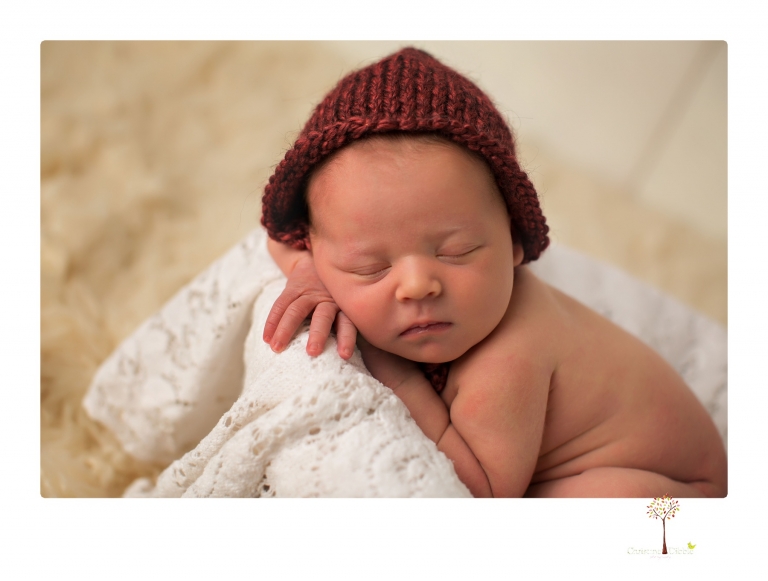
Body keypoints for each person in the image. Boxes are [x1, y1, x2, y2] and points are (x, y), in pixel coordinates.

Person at [259, 47, 727, 498]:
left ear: (515, 242)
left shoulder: (508, 361)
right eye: (370, 267)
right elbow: (277, 238)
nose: (418, 284)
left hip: (670, 492)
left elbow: (479, 492)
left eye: (457, 251)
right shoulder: (320, 253)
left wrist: (398, 375)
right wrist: (305, 273)